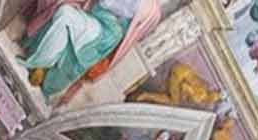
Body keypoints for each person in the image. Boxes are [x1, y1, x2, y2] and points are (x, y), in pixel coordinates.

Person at [21, 0, 163, 101]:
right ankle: (40, 64)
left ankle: (40, 65)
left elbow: (128, 31)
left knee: (65, 16)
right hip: (95, 17)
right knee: (64, 14)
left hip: (106, 34)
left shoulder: (151, 9)